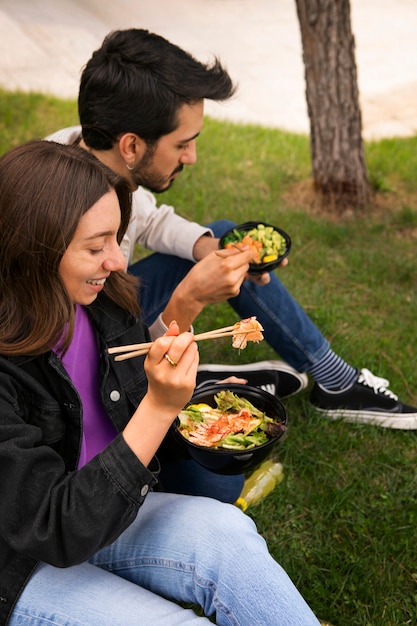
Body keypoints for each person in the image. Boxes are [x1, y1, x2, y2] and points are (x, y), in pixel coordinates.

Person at [46, 29, 417, 503]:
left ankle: (335, 379)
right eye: (183, 143)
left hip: (109, 327)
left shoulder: (84, 150)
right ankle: (200, 379)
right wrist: (188, 301)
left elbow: (151, 219)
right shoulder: (53, 221)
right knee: (218, 480)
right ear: (132, 146)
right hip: (77, 365)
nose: (192, 157)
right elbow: (88, 376)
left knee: (221, 235)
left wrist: (207, 248)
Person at [0, 139, 321, 626]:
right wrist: (159, 408)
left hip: (107, 507)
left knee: (228, 531)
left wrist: (202, 415)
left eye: (116, 238)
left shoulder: (104, 301)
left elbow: (129, 419)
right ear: (33, 251)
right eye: (95, 246)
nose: (117, 261)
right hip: (24, 555)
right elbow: (54, 528)